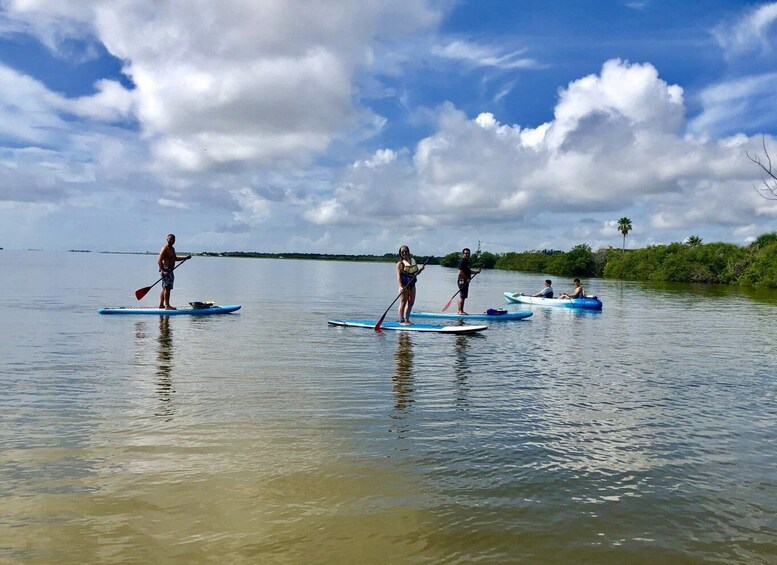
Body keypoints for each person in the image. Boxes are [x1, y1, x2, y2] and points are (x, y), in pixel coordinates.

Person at [157, 233, 191, 310]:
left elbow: (175, 258)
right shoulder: (165, 248)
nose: (172, 241)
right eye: (170, 239)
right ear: (167, 240)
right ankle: (167, 306)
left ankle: (161, 305)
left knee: (165, 288)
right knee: (167, 288)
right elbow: (159, 260)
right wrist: (163, 270)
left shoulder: (172, 249)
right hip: (166, 270)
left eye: (173, 240)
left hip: (170, 270)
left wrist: (185, 258)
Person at [396, 245, 424, 324]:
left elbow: (416, 273)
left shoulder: (413, 261)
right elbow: (398, 276)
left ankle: (407, 319)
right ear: (400, 253)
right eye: (402, 252)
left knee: (411, 302)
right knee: (403, 302)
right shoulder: (400, 264)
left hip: (412, 285)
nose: (404, 253)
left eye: (406, 251)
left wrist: (421, 270)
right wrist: (400, 286)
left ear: (408, 252)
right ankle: (401, 320)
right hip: (404, 286)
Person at [457, 247, 481, 315]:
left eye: (468, 253)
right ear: (463, 254)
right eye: (466, 253)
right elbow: (460, 272)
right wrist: (466, 279)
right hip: (462, 281)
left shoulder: (466, 262)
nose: (467, 254)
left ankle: (459, 311)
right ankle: (461, 311)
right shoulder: (462, 261)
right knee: (462, 296)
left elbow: (469, 271)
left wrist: (476, 272)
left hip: (464, 281)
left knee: (462, 296)